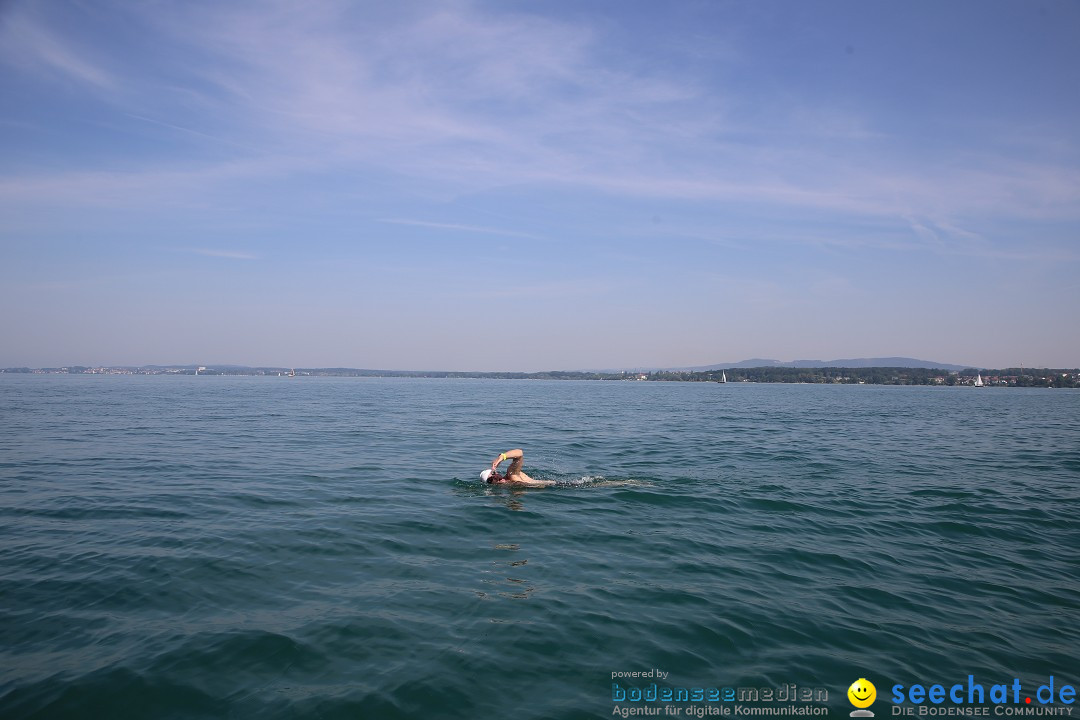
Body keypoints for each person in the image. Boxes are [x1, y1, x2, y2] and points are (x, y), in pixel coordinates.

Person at [480, 448, 553, 486]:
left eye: (494, 475)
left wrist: (502, 457)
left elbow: (519, 453)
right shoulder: (507, 486)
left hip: (556, 486)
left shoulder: (511, 474)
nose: (496, 478)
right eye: (491, 480)